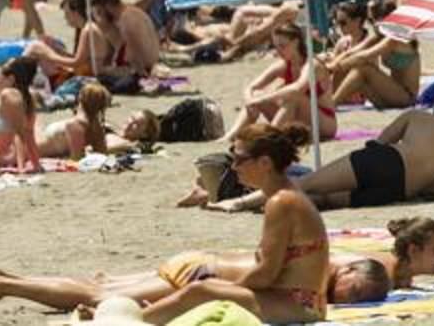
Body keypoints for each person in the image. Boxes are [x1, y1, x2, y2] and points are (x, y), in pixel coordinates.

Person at [138, 123, 330, 323]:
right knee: (206, 290)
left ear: (265, 162)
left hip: (299, 307)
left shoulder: (281, 202)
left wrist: (227, 290)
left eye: (239, 159)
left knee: (200, 291)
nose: (233, 166)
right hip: (299, 302)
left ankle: (130, 321)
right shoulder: (285, 196)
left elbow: (266, 274)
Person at [213, 99, 434, 212]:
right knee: (326, 200)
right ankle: (271, 204)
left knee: (308, 182)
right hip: (399, 191)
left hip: (386, 161)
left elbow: (380, 142)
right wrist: (426, 183)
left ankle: (240, 203)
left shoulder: (417, 116)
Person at [0, 252, 388, 316]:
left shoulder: (316, 259)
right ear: (351, 272)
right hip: (204, 275)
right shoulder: (316, 274)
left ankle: (12, 279)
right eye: (359, 291)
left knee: (99, 286)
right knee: (98, 297)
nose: (353, 299)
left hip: (199, 260)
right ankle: (2, 286)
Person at [222, 24, 337, 142]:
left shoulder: (312, 64)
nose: (278, 51)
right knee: (256, 95)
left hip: (324, 124)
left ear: (296, 42)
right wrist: (250, 101)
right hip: (298, 121)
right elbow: (251, 87)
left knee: (293, 97)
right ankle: (232, 136)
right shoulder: (283, 64)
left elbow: (297, 88)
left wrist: (263, 99)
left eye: (282, 46)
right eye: (275, 46)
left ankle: (269, 139)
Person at [24, 0, 114, 81]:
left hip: (86, 76)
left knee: (36, 47)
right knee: (42, 47)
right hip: (87, 72)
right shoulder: (91, 27)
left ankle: (19, 76)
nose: (65, 17)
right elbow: (83, 59)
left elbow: (76, 62)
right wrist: (59, 51)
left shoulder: (88, 30)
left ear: (75, 13)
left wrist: (48, 54)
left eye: (67, 13)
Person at [91, 0, 160, 91]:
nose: (100, 16)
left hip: (142, 71)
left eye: (100, 11)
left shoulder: (126, 20)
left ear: (107, 6)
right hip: (151, 64)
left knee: (100, 78)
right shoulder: (134, 11)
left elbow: (133, 55)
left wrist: (145, 77)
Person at [329, 35, 421, 110]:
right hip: (389, 98)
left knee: (363, 68)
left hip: (407, 98)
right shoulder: (381, 35)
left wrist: (335, 67)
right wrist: (331, 64)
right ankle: (330, 100)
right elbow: (351, 52)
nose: (374, 24)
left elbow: (363, 57)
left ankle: (332, 103)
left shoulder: (396, 38)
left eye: (374, 19)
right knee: (356, 72)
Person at [36, 82, 121, 160]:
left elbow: (76, 158)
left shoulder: (76, 125)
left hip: (29, 151)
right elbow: (102, 153)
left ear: (80, 99)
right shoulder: (97, 126)